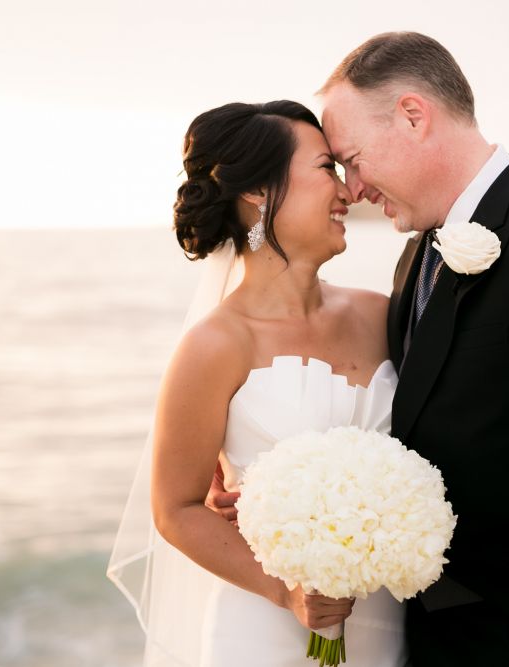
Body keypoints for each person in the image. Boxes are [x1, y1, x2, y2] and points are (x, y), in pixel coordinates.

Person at [210, 32, 509, 667]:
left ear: (412, 116)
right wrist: (271, 496)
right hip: (435, 639)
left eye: (351, 158)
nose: (351, 188)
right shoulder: (418, 257)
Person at [108, 100, 409, 666]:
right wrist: (286, 591)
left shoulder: (382, 318)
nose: (347, 192)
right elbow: (175, 508)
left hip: (389, 619)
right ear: (259, 191)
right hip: (263, 629)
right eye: (326, 169)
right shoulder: (215, 346)